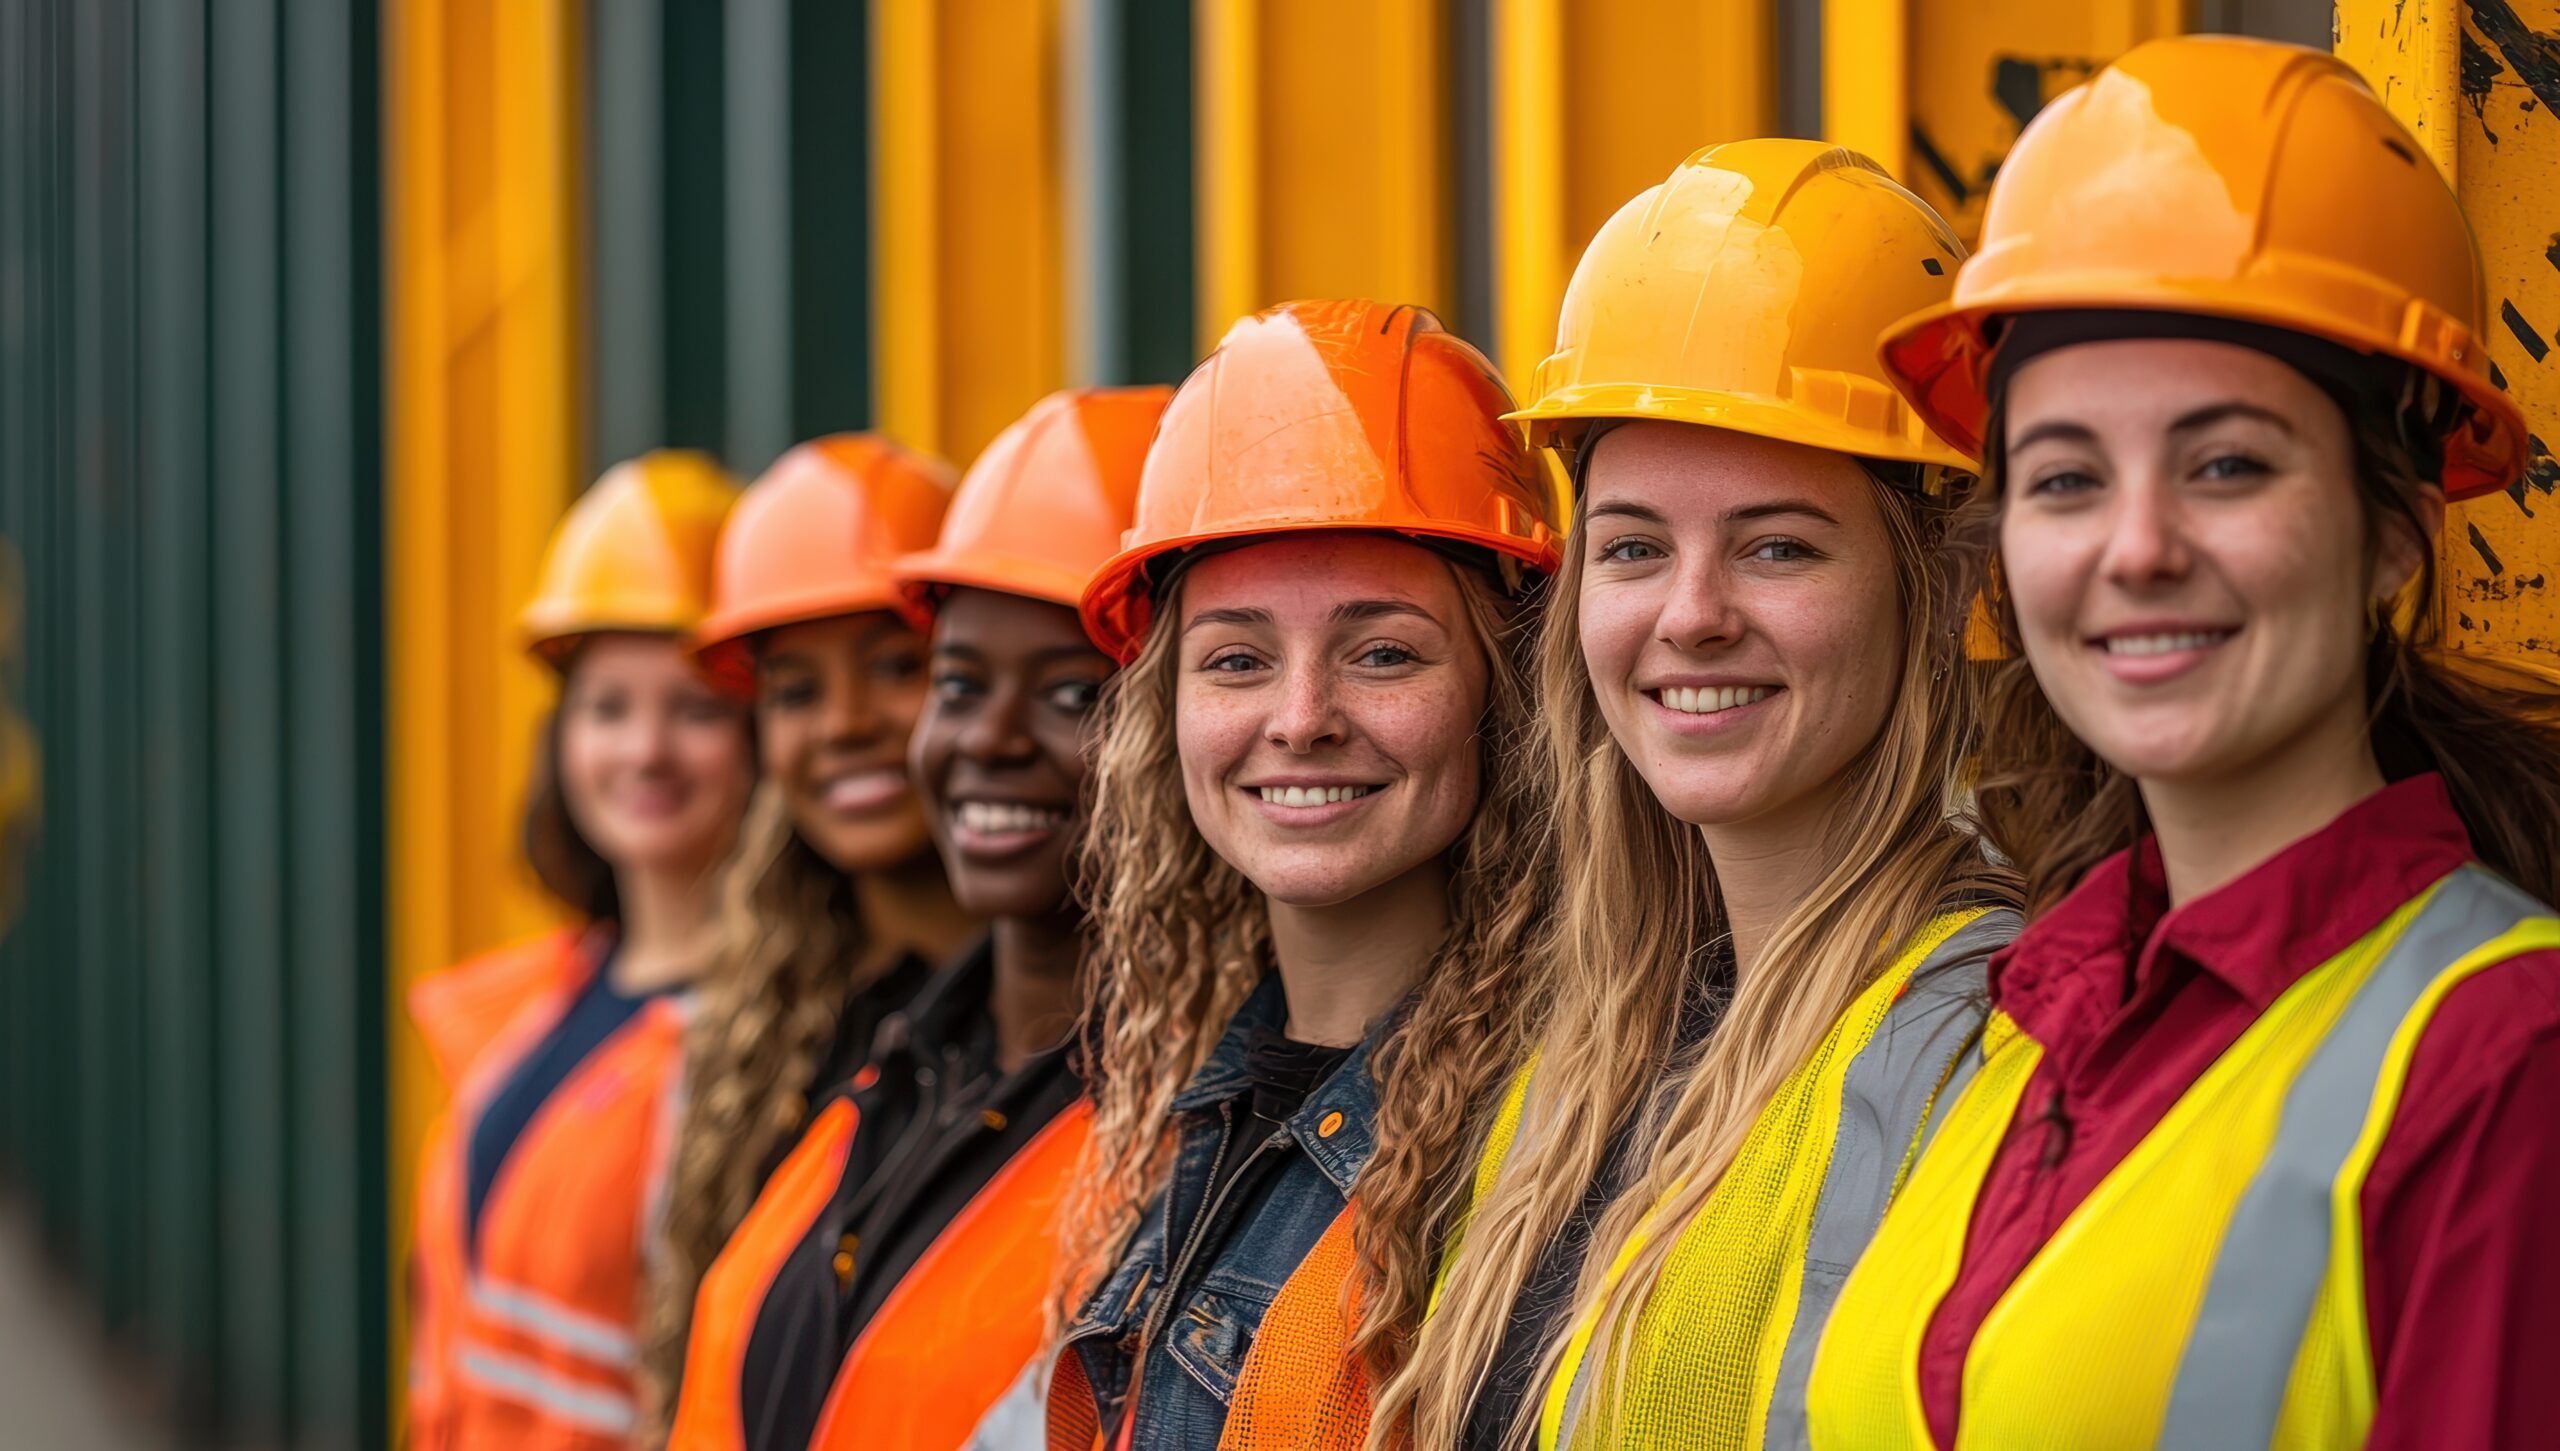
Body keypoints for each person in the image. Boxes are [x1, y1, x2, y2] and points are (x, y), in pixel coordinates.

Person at [1805, 36, 2560, 1451]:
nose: (2136, 548)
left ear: (2391, 531)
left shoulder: (2503, 1061)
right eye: (2068, 478)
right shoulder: (2025, 1019)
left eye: (2226, 464)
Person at [1381, 140, 2023, 1451]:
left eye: (1776, 544)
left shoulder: (1986, 1039)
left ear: (1938, 584)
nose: (1691, 616)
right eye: (1632, 548)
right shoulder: (1581, 1048)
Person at [1044, 299, 1564, 1450]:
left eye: (1382, 652)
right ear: (1165, 709)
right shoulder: (1190, 1096)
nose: (1300, 719)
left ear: (1505, 686)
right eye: (1235, 659)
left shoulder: (1567, 1130)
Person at [663, 385, 1165, 1451]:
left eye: (1073, 693)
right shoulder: (896, 1056)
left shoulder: (1191, 1122)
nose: (849, 723)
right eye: (957, 679)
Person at [407, 452, 752, 1450]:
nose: (644, 748)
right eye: (608, 707)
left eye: (694, 709)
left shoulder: (776, 1046)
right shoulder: (533, 1006)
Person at [636, 434, 970, 1436]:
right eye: (795, 691)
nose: (844, 723)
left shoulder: (1089, 1023)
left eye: (893, 666)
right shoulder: (755, 1031)